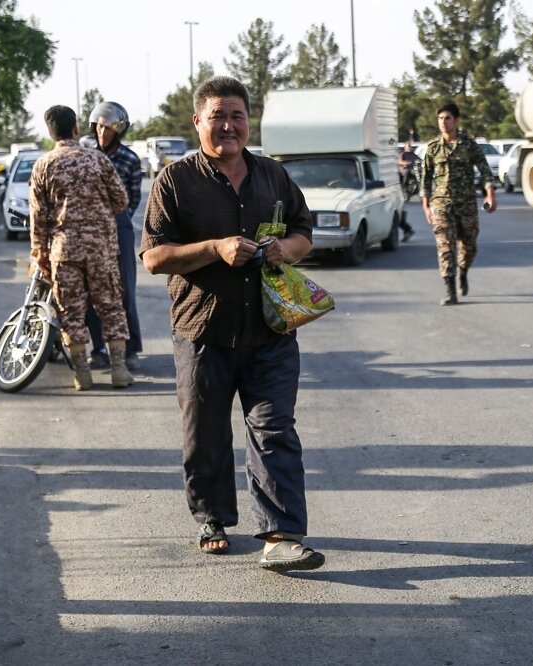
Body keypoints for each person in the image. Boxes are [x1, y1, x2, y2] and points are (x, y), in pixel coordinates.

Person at [140, 75, 324, 572]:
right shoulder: (175, 181)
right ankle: (213, 517)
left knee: (274, 429)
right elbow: (153, 257)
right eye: (217, 116)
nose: (228, 126)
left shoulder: (273, 175)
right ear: (197, 122)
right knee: (205, 433)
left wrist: (285, 249)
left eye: (237, 116)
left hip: (270, 330)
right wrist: (214, 248)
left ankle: (281, 536)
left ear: (249, 121)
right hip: (203, 332)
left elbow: (304, 232)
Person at [28, 105, 133, 391]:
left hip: (64, 252)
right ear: (76, 129)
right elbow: (121, 200)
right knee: (110, 306)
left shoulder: (43, 165)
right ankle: (119, 370)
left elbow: (38, 218)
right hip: (101, 249)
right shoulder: (98, 160)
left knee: (71, 312)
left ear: (50, 132)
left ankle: (82, 375)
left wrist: (39, 254)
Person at [84, 101, 145, 371]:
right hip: (89, 229)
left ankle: (130, 349)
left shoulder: (130, 159)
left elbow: (134, 197)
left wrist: (117, 220)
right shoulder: (86, 154)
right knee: (91, 289)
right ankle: (98, 348)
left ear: (118, 131)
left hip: (119, 226)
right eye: (99, 126)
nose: (102, 132)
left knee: (124, 289)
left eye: (108, 128)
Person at [420, 101, 496, 305]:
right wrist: (426, 206)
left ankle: (463, 271)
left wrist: (490, 195)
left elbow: (485, 170)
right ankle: (450, 291)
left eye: (447, 118)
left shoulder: (469, 145)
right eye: (440, 118)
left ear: (456, 120)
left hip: (466, 205)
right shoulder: (433, 148)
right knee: (445, 247)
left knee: (469, 247)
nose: (443, 122)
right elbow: (425, 178)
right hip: (441, 205)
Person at [396, 142, 419, 240]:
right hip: (404, 172)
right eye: (408, 146)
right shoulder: (403, 154)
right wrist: (405, 163)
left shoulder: (413, 154)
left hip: (412, 171)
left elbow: (419, 159)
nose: (410, 148)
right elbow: (400, 161)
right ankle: (407, 230)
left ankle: (407, 230)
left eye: (410, 146)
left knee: (396, 214)